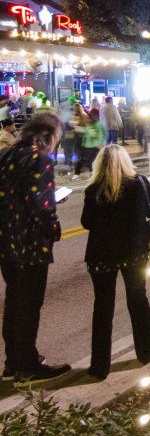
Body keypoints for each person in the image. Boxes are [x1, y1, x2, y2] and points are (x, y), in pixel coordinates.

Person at [0, 113, 71, 382]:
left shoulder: (6, 155)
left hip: (6, 241)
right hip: (30, 242)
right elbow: (40, 205)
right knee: (30, 303)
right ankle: (28, 365)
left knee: (15, 299)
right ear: (50, 137)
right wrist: (52, 227)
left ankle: (13, 362)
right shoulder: (40, 159)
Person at [81, 145, 150, 380]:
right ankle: (146, 353)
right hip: (133, 251)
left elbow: (86, 222)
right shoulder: (139, 184)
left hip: (101, 255)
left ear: (99, 164)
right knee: (138, 298)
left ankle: (100, 366)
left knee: (103, 307)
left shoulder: (94, 189)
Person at [77, 110, 106, 176]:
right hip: (88, 146)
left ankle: (94, 173)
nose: (87, 120)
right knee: (89, 161)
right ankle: (93, 173)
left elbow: (101, 135)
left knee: (93, 161)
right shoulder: (88, 125)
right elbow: (85, 136)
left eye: (88, 118)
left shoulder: (97, 124)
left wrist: (100, 143)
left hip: (95, 145)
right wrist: (83, 144)